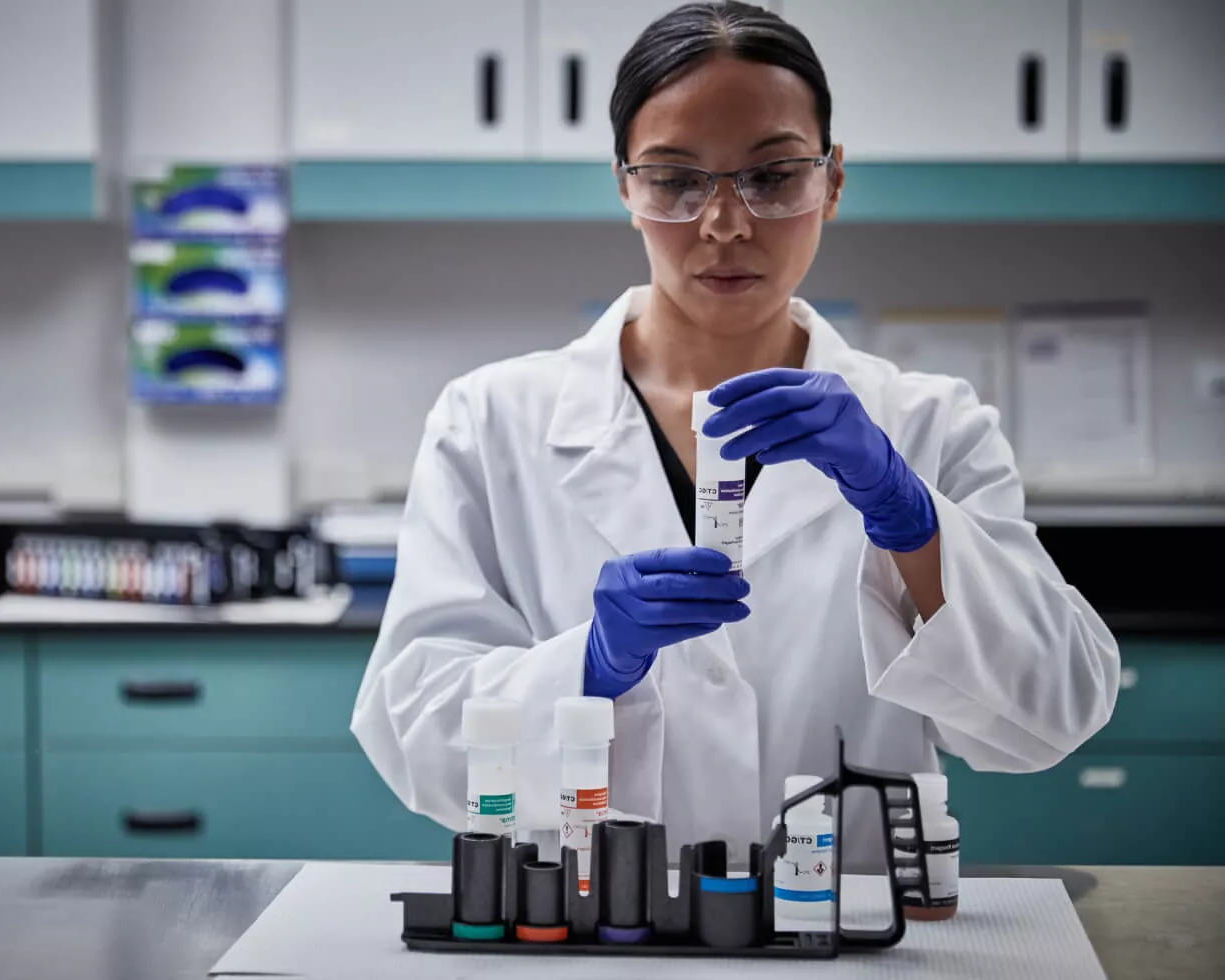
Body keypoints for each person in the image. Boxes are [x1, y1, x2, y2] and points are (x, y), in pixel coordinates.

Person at [350, 1, 1119, 862]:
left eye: (773, 175)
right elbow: (412, 730)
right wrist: (590, 668)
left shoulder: (932, 424)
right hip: (596, 932)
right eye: (676, 179)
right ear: (625, 187)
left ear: (831, 182)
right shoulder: (490, 420)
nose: (725, 224)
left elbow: (1056, 711)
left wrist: (918, 525)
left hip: (850, 932)